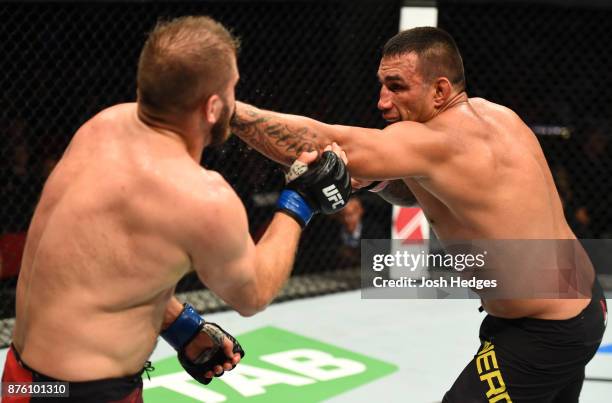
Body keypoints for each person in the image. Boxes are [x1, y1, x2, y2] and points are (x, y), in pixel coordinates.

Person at [229, 27, 608, 402]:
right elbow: (424, 190)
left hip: (544, 330)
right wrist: (374, 182)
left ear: (439, 90)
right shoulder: (499, 116)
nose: (382, 101)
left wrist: (224, 110)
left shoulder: (435, 141)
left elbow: (325, 143)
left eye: (396, 87)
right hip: (582, 301)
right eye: (381, 85)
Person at [1, 16, 351, 402]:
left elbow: (84, 264)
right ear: (214, 106)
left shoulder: (99, 127)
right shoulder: (201, 196)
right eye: (234, 88)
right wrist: (300, 200)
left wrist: (179, 324)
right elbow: (253, 293)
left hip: (22, 382)